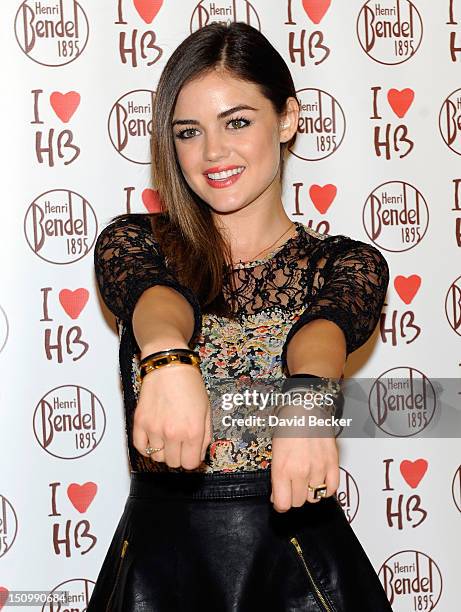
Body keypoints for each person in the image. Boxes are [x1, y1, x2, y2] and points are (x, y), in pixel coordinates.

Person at [88, 21, 393, 612]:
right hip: (160, 568)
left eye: (237, 121)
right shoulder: (136, 242)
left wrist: (307, 399)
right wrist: (168, 358)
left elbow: (322, 332)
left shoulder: (346, 264)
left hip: (302, 570)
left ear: (287, 119)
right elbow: (158, 299)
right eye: (188, 132)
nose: (213, 153)